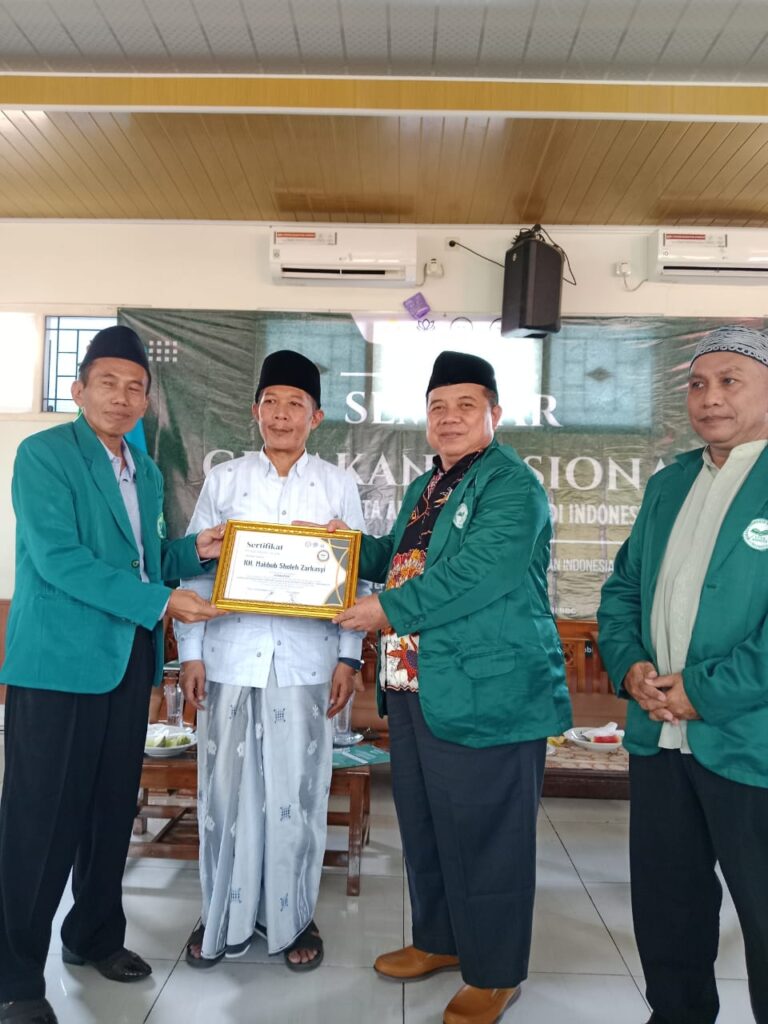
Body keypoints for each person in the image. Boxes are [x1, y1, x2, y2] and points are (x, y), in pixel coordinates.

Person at [331, 350, 571, 1024]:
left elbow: (479, 573)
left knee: (489, 836)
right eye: (438, 407)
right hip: (416, 685)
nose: (450, 417)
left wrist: (385, 610)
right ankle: (439, 939)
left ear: (495, 414)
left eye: (466, 405)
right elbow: (402, 558)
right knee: (428, 824)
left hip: (488, 691)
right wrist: (343, 548)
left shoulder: (512, 487)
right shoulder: (428, 485)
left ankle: (495, 973)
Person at [0, 326, 224, 1024]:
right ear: (79, 389)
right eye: (109, 383)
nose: (123, 398)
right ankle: (13, 978)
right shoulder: (44, 455)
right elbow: (60, 559)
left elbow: (142, 558)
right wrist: (162, 602)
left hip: (126, 664)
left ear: (147, 399)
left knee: (108, 811)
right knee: (39, 822)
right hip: (57, 668)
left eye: (136, 388)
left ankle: (93, 934)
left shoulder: (144, 468)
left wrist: (194, 550)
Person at [176, 349, 368, 972]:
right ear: (255, 410)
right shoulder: (225, 481)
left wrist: (348, 658)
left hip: (306, 663)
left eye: (295, 404)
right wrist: (190, 655)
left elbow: (358, 579)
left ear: (316, 417)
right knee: (225, 795)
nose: (282, 415)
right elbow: (196, 571)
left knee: (297, 794)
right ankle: (221, 913)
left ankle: (293, 916)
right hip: (230, 658)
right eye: (271, 402)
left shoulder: (337, 485)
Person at [597, 324, 768, 1024]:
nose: (710, 397)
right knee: (669, 908)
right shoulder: (670, 484)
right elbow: (621, 592)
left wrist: (703, 689)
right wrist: (630, 667)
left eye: (730, 381)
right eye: (698, 384)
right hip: (660, 738)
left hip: (749, 744)